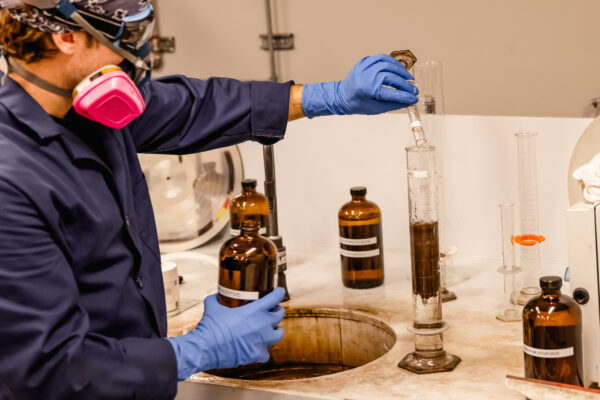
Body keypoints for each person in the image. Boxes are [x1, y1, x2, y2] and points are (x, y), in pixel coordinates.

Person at [0, 1, 418, 399]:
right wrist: (194, 351)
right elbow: (48, 371)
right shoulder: (11, 181)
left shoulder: (87, 109)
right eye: (127, 34)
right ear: (66, 38)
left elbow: (194, 107)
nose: (140, 54)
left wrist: (326, 97)